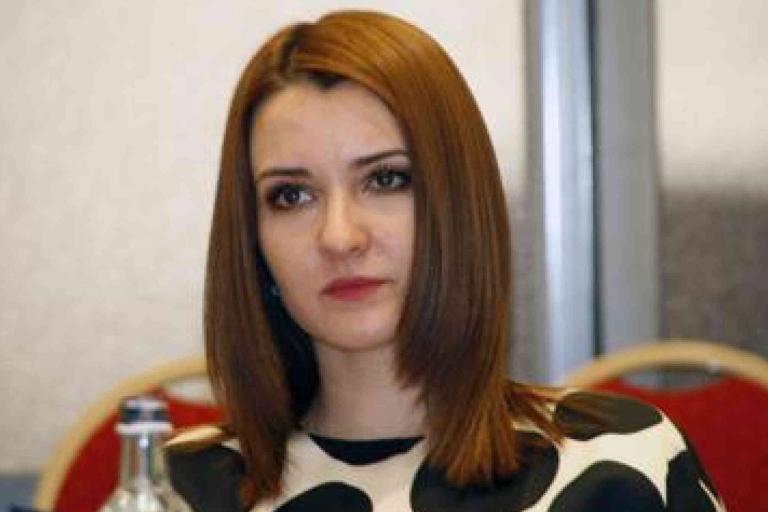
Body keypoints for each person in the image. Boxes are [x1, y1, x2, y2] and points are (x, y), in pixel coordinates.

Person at [167, 10, 725, 512]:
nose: (340, 237)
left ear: (460, 205)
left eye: (386, 179)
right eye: (291, 195)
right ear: (252, 238)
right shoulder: (177, 489)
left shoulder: (622, 467)